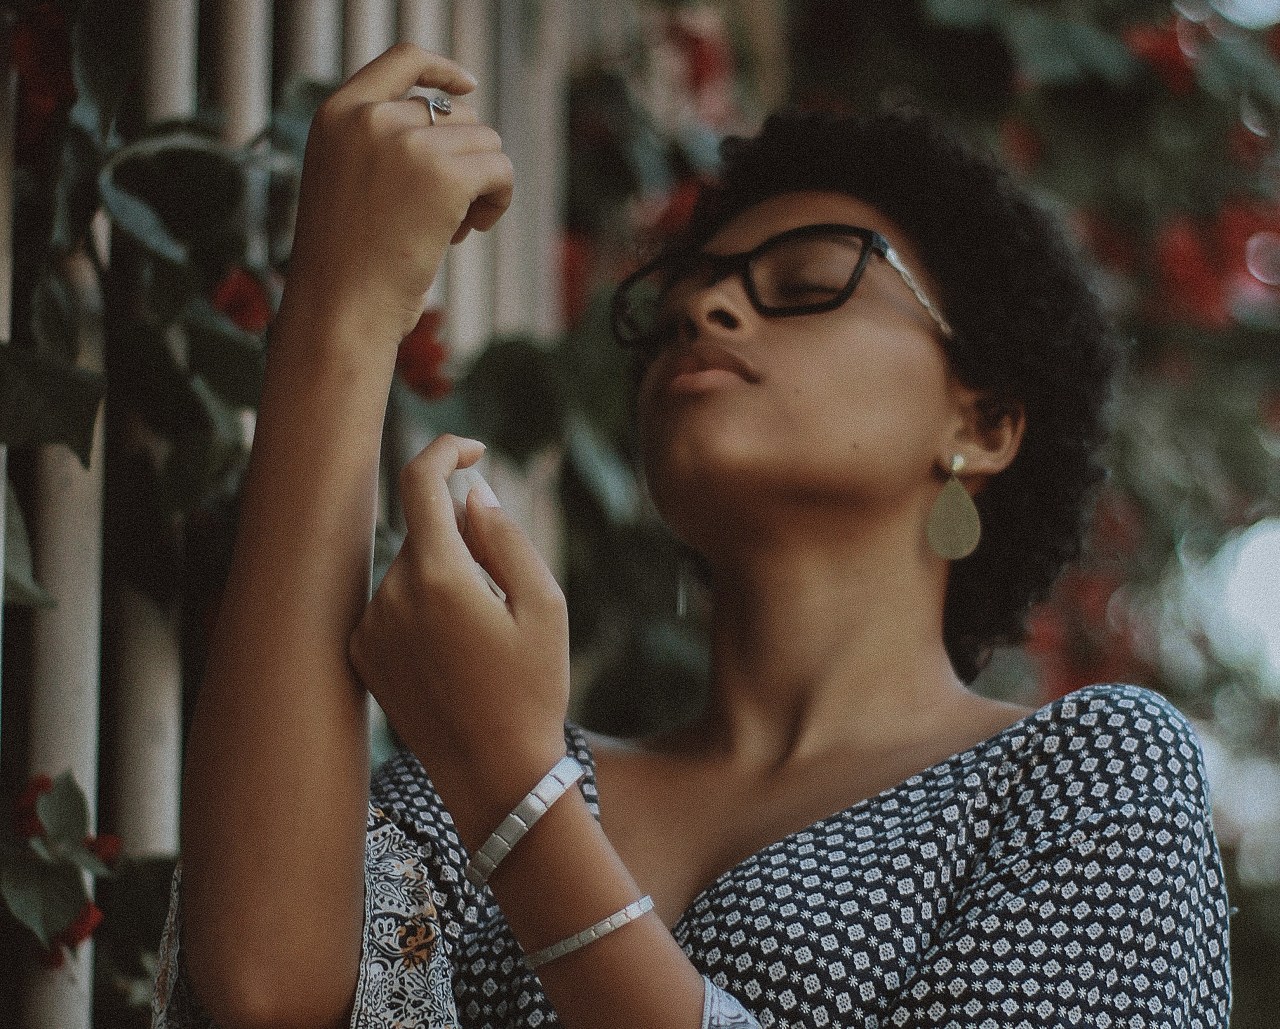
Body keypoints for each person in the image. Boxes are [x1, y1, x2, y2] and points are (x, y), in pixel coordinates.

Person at [152, 44, 1231, 1029]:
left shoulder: (1085, 777)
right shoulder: (474, 767)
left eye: (807, 285)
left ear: (982, 424)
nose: (705, 309)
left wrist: (520, 806)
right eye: (675, 303)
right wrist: (345, 306)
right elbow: (267, 995)